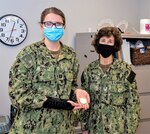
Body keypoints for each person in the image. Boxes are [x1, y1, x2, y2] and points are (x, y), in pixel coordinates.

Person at [8, 7, 90, 134]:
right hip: (32, 128)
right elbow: (16, 93)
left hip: (63, 128)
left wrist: (78, 92)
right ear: (42, 26)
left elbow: (71, 86)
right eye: (48, 23)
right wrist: (50, 102)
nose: (53, 27)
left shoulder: (71, 55)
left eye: (58, 24)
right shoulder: (28, 54)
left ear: (64, 26)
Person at [80, 26, 140, 134]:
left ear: (115, 45)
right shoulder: (88, 71)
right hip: (95, 129)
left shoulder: (125, 70)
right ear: (97, 43)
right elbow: (84, 103)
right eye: (103, 40)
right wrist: (84, 128)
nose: (106, 44)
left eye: (110, 41)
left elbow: (133, 104)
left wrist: (130, 130)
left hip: (118, 129)